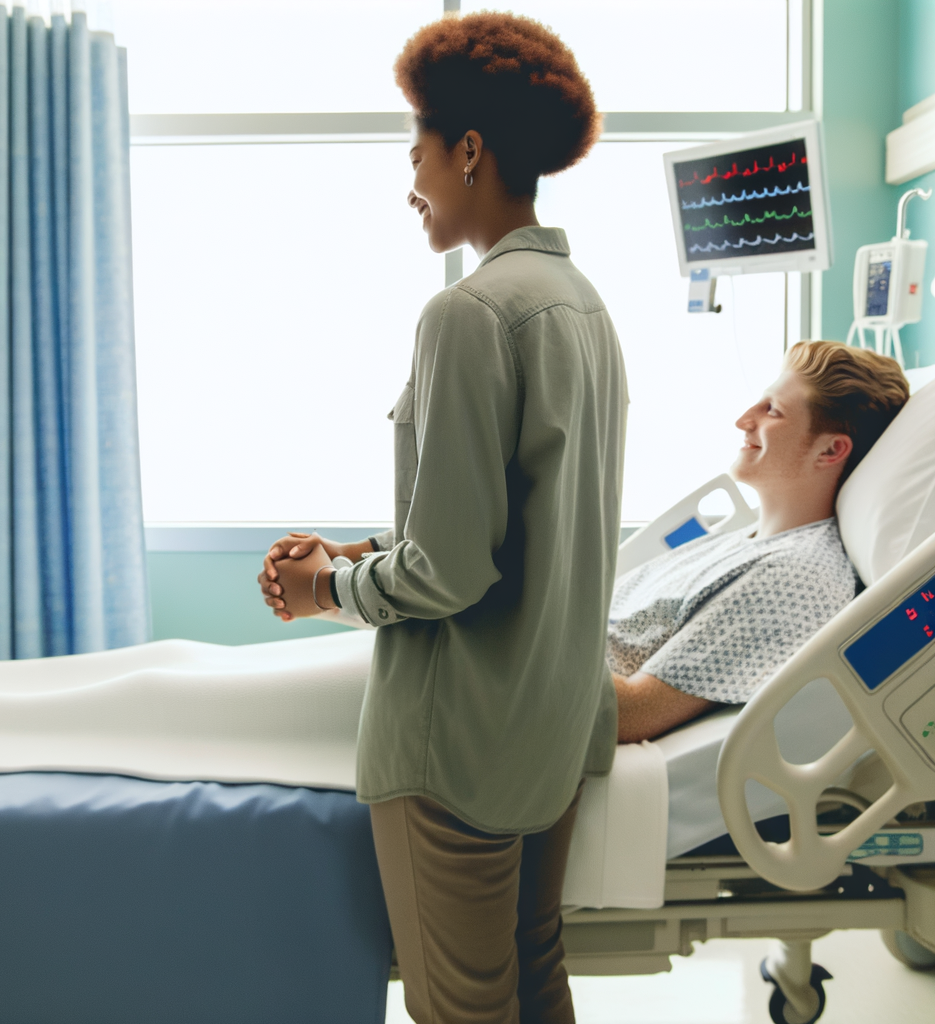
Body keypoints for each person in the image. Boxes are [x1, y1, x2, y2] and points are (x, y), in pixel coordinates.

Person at [258, 12, 627, 1024]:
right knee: (531, 971)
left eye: (415, 150)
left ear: (468, 151)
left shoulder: (465, 314)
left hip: (456, 747)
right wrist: (366, 551)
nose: (409, 178)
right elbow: (513, 528)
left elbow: (452, 571)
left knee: (461, 1006)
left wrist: (322, 584)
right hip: (547, 733)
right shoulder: (583, 308)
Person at [610, 340, 910, 744]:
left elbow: (629, 713)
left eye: (772, 410)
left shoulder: (793, 578)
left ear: (831, 450)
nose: (743, 420)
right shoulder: (747, 540)